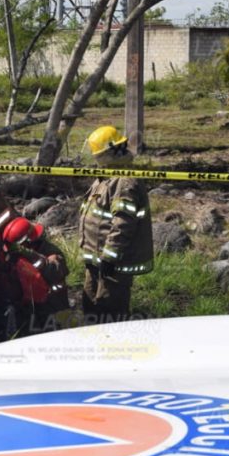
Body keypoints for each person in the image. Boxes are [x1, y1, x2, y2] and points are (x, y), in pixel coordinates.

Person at [79, 126, 154, 321]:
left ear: (107, 154)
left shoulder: (123, 181)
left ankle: (115, 348)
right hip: (97, 260)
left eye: (97, 154)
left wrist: (109, 258)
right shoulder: (108, 176)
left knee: (110, 312)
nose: (95, 158)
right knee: (91, 308)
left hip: (113, 266)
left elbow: (123, 224)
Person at [2, 216, 70, 331]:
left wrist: (29, 254)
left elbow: (53, 272)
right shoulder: (17, 257)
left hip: (54, 306)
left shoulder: (51, 251)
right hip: (32, 308)